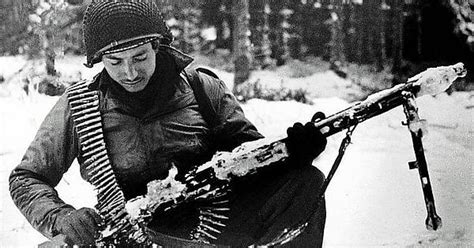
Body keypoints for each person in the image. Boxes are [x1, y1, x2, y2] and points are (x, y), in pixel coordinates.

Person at [9, 1, 327, 247]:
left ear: (158, 47)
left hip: (219, 221)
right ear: (98, 61)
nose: (130, 73)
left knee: (305, 182)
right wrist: (62, 217)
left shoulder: (202, 87)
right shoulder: (79, 107)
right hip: (136, 231)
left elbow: (250, 157)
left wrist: (291, 153)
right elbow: (26, 178)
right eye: (115, 62)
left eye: (139, 57)